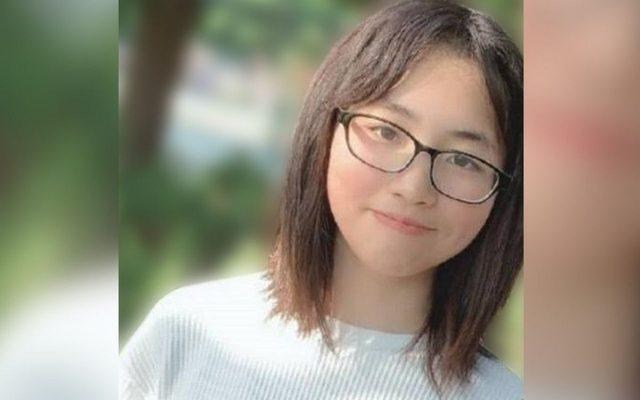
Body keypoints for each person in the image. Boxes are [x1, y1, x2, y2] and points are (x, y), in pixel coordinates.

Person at [120, 1, 523, 398]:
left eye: (463, 160)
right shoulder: (188, 334)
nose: (414, 187)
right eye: (387, 132)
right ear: (326, 128)